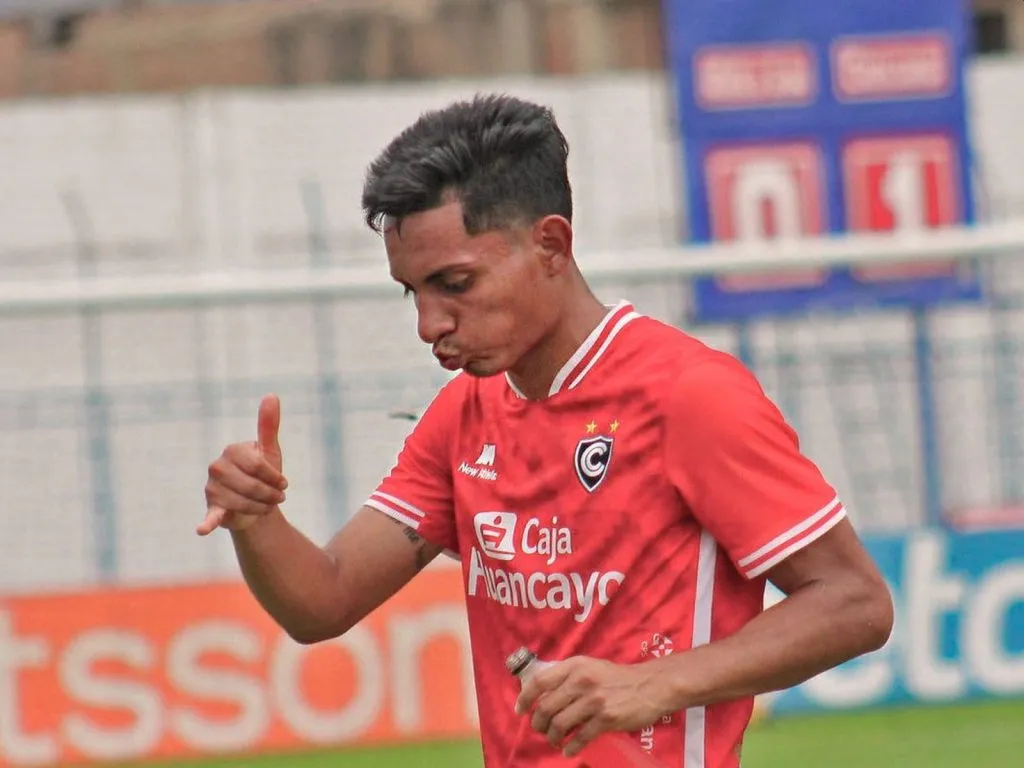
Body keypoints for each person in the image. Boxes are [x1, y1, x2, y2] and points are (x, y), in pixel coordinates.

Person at [199, 94, 894, 768]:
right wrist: (257, 521)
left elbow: (854, 602)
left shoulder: (689, 396)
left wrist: (653, 684)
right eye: (414, 291)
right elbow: (324, 600)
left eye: (457, 284)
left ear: (551, 245)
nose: (428, 324)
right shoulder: (463, 414)